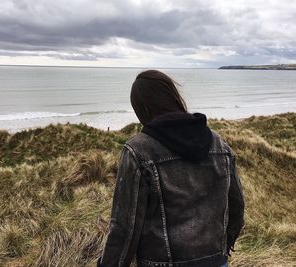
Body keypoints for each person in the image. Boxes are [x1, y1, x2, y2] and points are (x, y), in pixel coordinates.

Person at [97, 70, 245, 267]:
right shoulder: (220, 146)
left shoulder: (138, 150)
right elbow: (237, 207)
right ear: (173, 97)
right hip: (216, 261)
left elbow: (125, 227)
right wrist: (223, 249)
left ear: (144, 109)